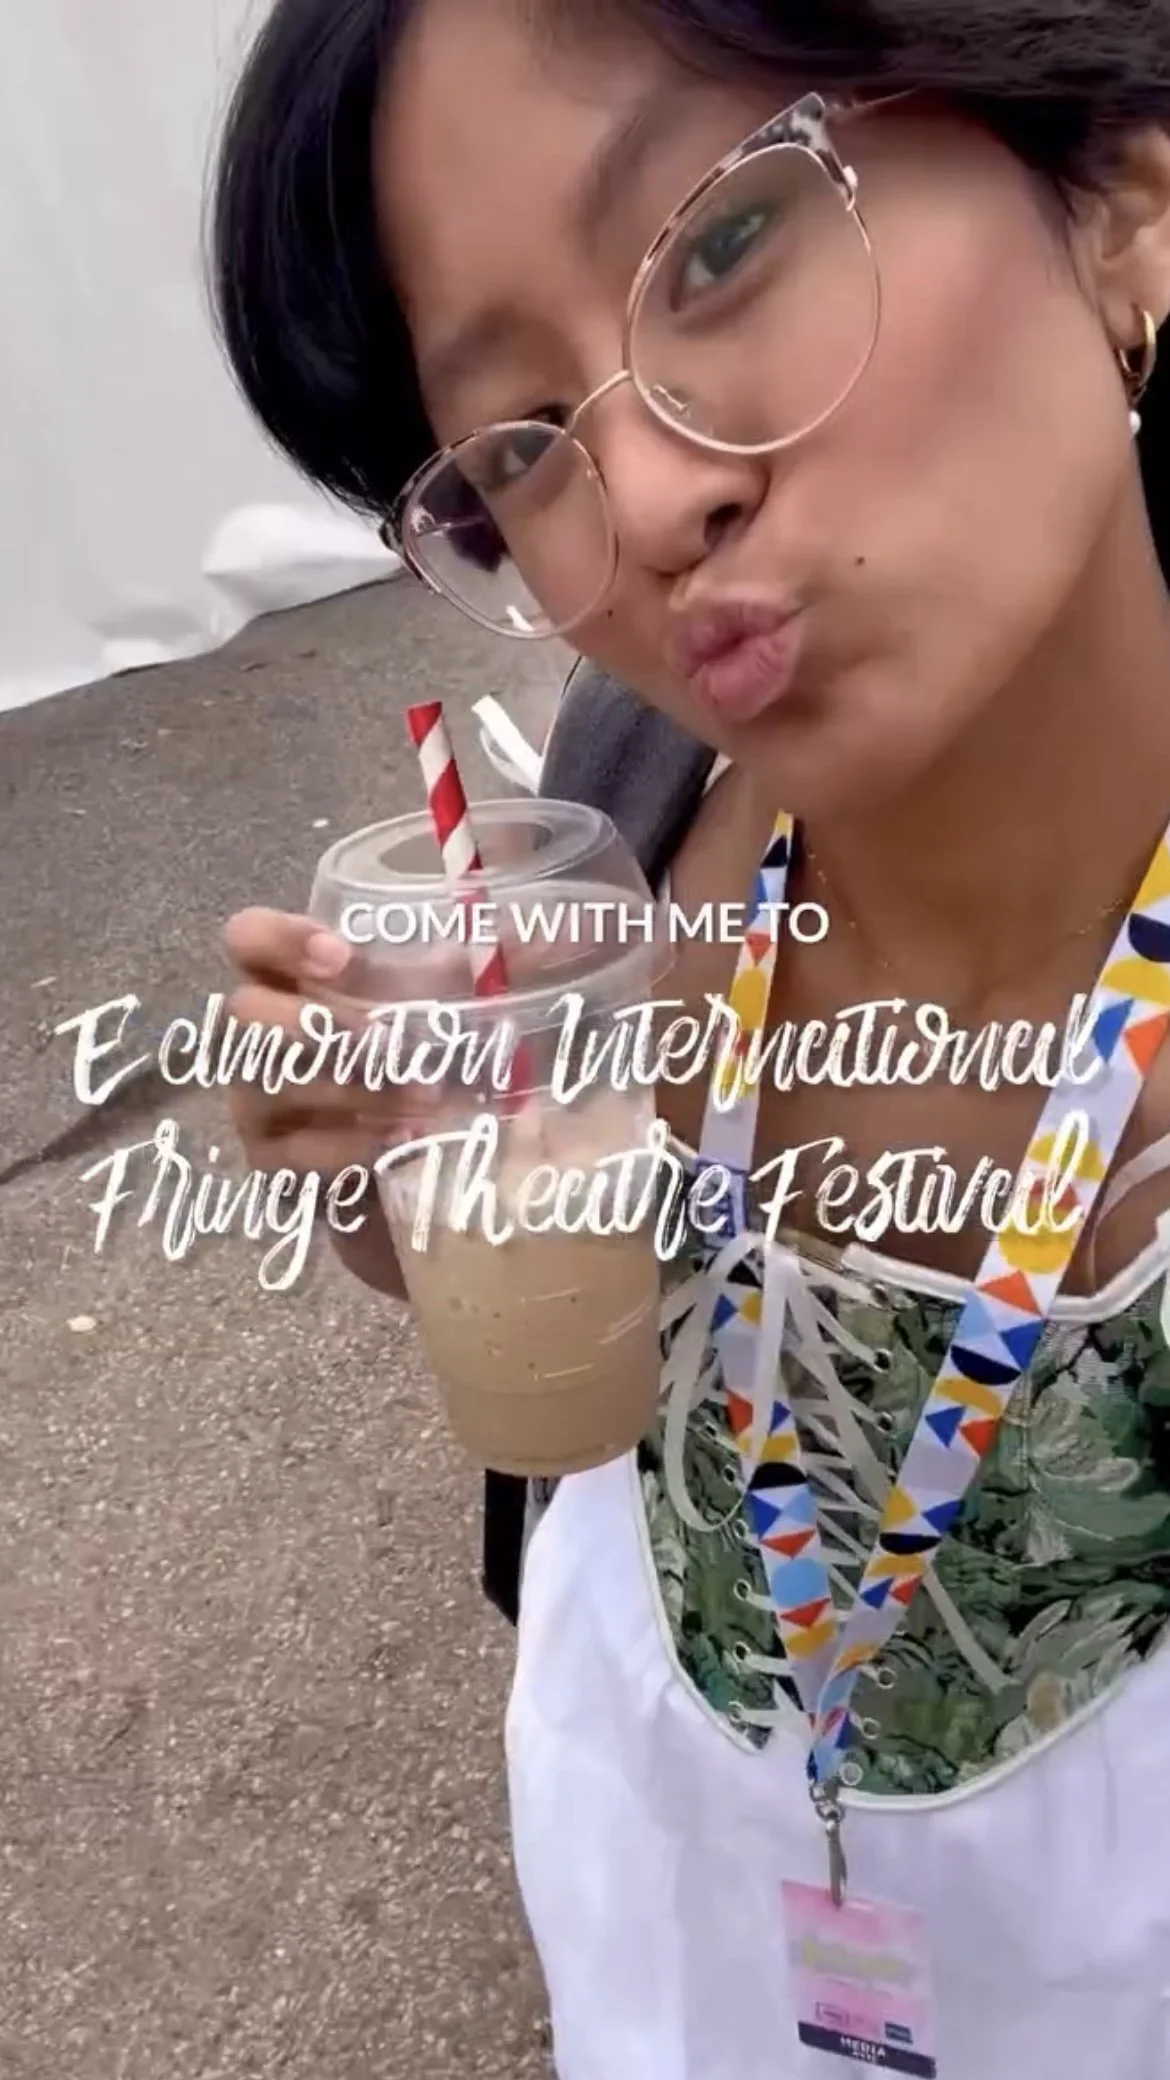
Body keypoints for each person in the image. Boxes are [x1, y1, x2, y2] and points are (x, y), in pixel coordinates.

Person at [210, 1, 1170, 2074]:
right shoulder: (640, 789)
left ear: (1116, 197)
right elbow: (598, 1324)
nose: (637, 498)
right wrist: (399, 1166)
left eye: (722, 243)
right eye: (520, 445)